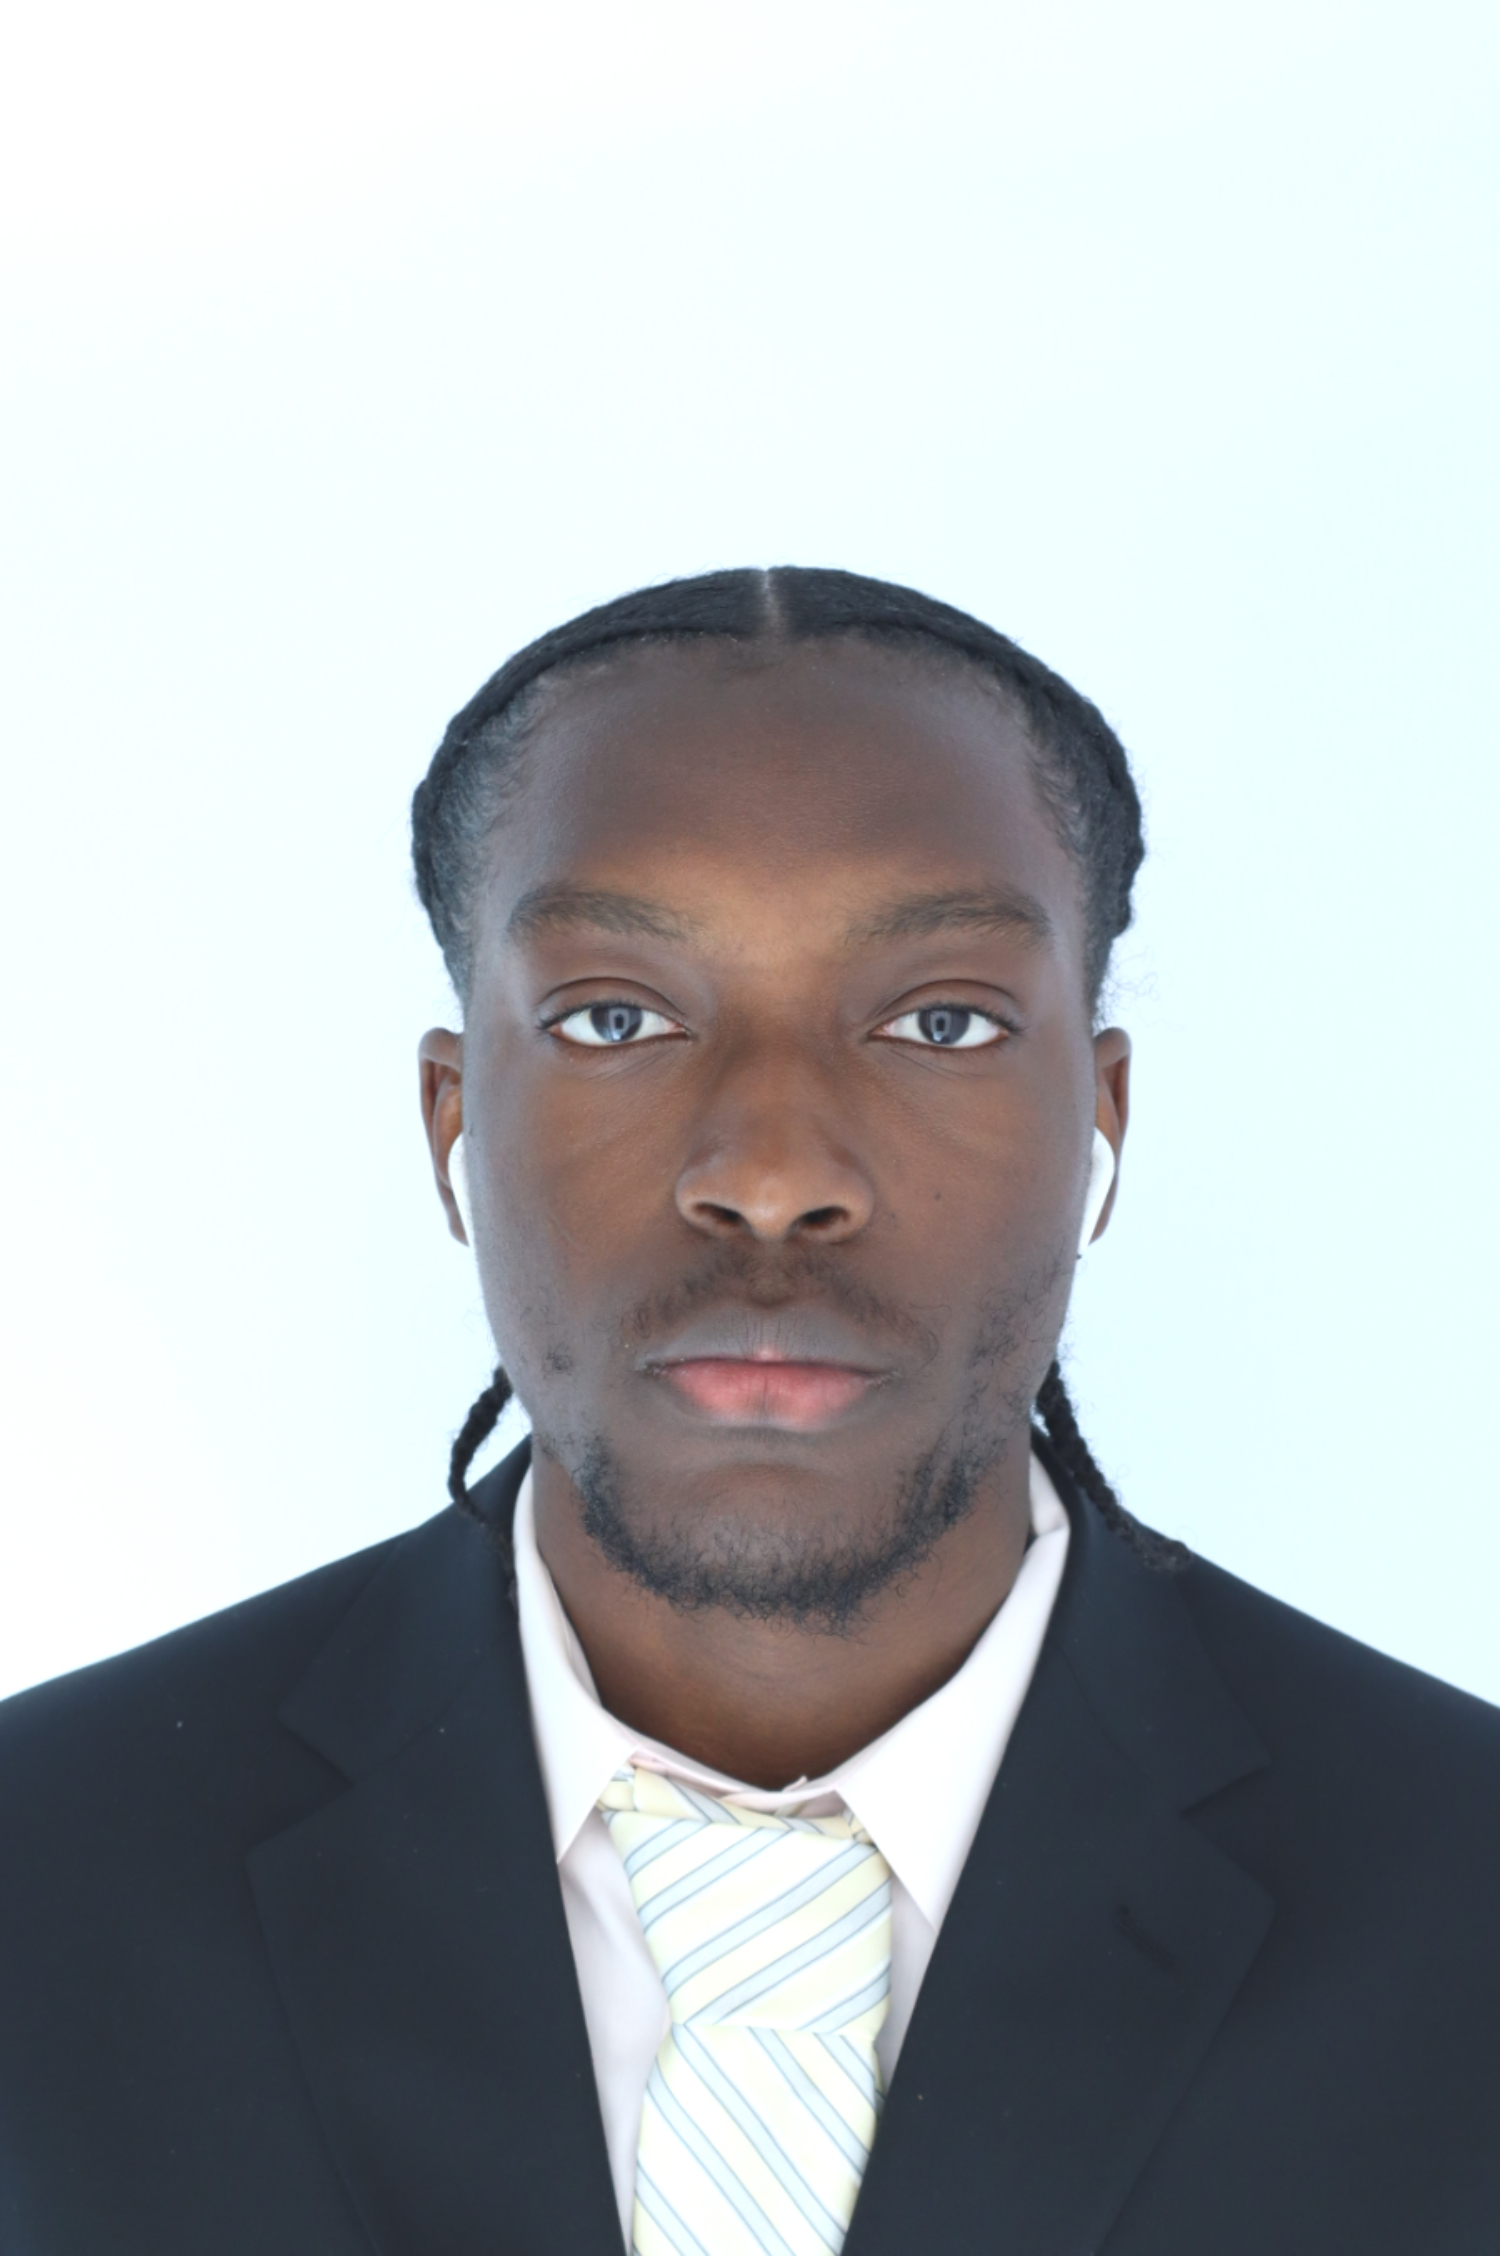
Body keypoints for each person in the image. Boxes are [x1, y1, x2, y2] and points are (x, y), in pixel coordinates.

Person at [1, 567, 1497, 2255]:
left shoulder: (1465, 1903)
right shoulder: (39, 1875)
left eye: (940, 1020)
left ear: (1100, 1113)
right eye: (615, 1017)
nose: (773, 1175)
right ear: (450, 1122)